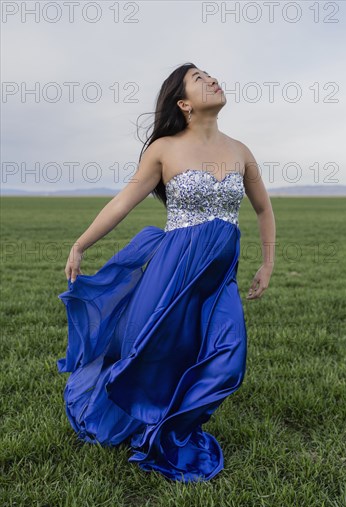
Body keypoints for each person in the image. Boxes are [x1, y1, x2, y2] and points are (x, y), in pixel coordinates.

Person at [57, 62, 276, 483]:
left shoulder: (240, 150)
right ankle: (151, 428)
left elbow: (263, 208)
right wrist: (81, 243)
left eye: (210, 75)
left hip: (218, 278)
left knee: (229, 361)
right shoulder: (164, 149)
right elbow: (123, 202)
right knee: (151, 354)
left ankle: (171, 433)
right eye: (199, 79)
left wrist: (267, 263)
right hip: (173, 270)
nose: (212, 79)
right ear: (184, 103)